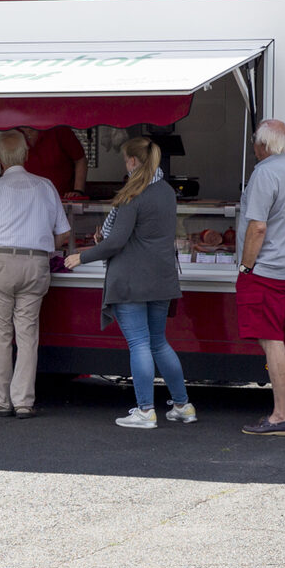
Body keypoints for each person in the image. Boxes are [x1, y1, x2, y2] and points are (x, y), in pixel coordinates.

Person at [56, 135, 194, 429]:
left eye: (125, 160)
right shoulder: (167, 192)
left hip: (131, 280)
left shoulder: (133, 194)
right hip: (162, 278)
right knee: (159, 343)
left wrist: (83, 257)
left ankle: (145, 411)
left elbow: (116, 241)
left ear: (132, 161)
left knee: (139, 344)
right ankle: (183, 405)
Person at [0, 131, 72, 418]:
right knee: (27, 335)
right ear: (26, 155)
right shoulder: (46, 187)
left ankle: (2, 400)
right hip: (36, 265)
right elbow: (63, 236)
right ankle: (24, 400)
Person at [236, 118, 285, 436]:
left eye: (256, 142)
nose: (254, 147)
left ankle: (280, 415)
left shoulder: (265, 173)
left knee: (273, 342)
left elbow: (257, 227)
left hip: (268, 271)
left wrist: (245, 267)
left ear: (264, 144)